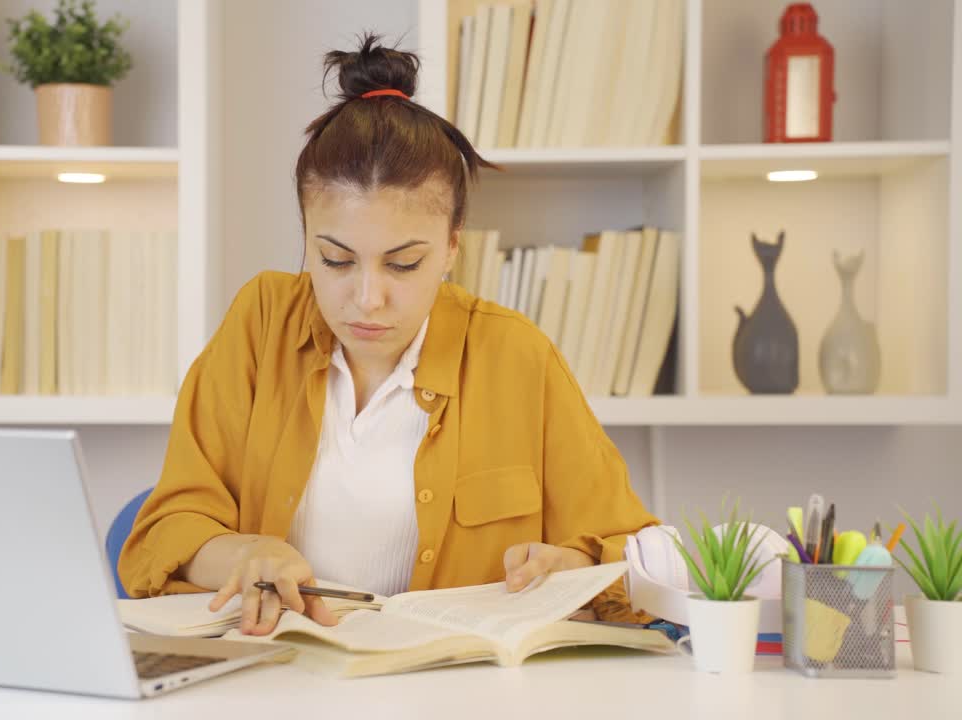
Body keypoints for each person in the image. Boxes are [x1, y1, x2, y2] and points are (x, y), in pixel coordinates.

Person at [119, 33, 658, 636]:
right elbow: (164, 529)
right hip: (275, 677)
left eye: (403, 264)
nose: (367, 298)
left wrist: (575, 565)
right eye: (335, 260)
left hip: (451, 688)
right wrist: (243, 555)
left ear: (453, 245)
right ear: (306, 237)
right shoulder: (262, 320)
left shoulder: (517, 356)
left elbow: (634, 559)